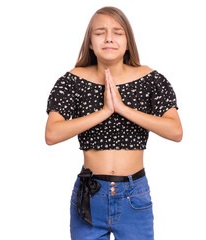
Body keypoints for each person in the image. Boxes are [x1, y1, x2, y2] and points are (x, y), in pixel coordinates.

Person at [45, 6, 183, 240]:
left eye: (117, 32)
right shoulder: (72, 80)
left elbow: (175, 131)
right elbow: (52, 134)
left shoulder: (150, 79)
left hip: (134, 195)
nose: (109, 37)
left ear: (128, 41)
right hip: (90, 196)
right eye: (100, 32)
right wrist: (105, 111)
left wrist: (123, 109)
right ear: (90, 42)